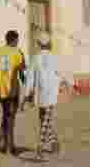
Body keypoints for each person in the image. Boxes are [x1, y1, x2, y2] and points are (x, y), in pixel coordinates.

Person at [27, 32, 61, 160]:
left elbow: (30, 79)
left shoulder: (35, 58)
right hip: (50, 94)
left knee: (45, 120)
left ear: (38, 44)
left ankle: (39, 149)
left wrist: (27, 94)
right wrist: (72, 84)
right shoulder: (54, 58)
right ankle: (55, 142)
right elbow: (63, 72)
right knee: (45, 120)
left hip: (42, 94)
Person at [0, 30, 26, 155]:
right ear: (14, 40)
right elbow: (22, 73)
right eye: (17, 40)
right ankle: (9, 146)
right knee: (11, 118)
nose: (18, 42)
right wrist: (28, 88)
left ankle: (4, 141)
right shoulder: (18, 52)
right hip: (12, 90)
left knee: (6, 115)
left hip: (0, 89)